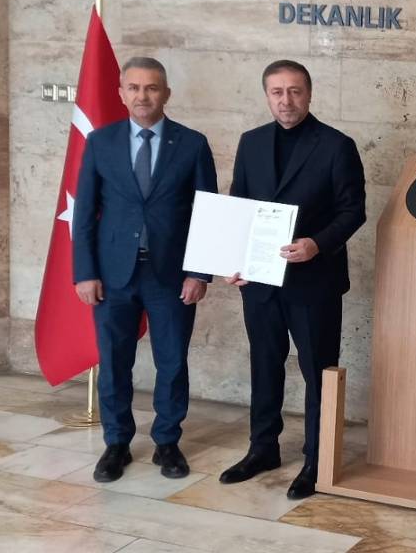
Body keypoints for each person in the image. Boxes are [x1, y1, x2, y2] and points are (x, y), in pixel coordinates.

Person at [219, 59, 367, 500]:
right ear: (267, 96)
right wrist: (234, 259)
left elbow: (352, 211)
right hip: (259, 282)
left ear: (309, 93)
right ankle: (262, 448)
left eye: (295, 91)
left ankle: (317, 460)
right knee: (264, 365)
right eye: (277, 92)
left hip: (314, 282)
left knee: (318, 372)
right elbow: (239, 204)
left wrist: (317, 244)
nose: (286, 100)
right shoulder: (251, 142)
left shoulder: (337, 145)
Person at [72, 56, 218, 483]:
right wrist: (85, 272)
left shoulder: (192, 144)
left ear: (166, 93)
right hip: (112, 275)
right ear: (121, 93)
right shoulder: (101, 142)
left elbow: (207, 214)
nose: (142, 96)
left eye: (151, 88)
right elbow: (84, 214)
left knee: (172, 362)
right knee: (114, 361)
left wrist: (199, 273)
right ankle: (116, 443)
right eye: (134, 88)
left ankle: (167, 441)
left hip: (170, 276)